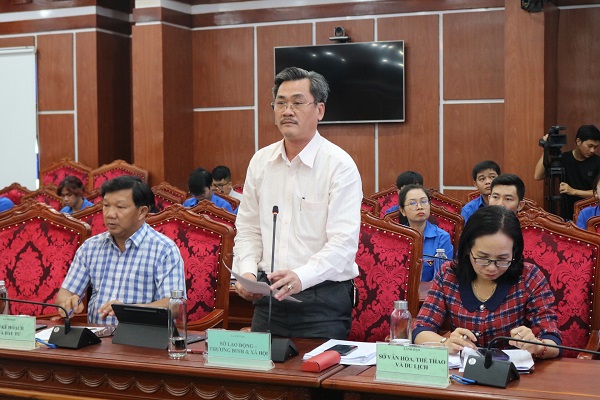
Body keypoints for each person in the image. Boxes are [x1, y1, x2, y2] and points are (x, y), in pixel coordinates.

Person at [233, 66, 362, 339]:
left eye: (297, 103)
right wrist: (247, 272)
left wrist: (302, 276)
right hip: (268, 300)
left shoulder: (339, 165)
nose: (287, 111)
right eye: (280, 103)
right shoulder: (261, 162)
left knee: (312, 368)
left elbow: (343, 244)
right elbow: (248, 229)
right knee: (259, 368)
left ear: (320, 110)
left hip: (321, 302)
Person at [413, 206, 561, 359]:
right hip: (462, 371)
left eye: (502, 259)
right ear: (468, 249)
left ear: (514, 252)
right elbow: (420, 329)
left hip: (515, 371)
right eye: (482, 258)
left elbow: (552, 340)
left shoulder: (529, 277)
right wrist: (445, 343)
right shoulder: (448, 274)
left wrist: (537, 346)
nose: (491, 268)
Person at [55, 176, 185, 325]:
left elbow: (174, 305)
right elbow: (65, 293)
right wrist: (67, 302)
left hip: (143, 336)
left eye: (120, 207)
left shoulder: (164, 249)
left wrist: (127, 311)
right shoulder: (90, 247)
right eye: (106, 205)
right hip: (96, 336)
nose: (110, 214)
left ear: (142, 212)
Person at [534, 124, 600, 220]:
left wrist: (573, 191)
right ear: (578, 141)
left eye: (596, 147)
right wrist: (546, 149)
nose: (592, 150)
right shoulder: (564, 159)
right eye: (590, 146)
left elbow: (598, 193)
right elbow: (538, 176)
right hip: (566, 214)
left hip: (591, 215)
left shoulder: (597, 162)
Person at [398, 184, 453, 281]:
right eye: (412, 203)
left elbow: (443, 277)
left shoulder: (442, 238)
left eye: (423, 202)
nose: (420, 207)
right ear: (402, 211)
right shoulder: (397, 237)